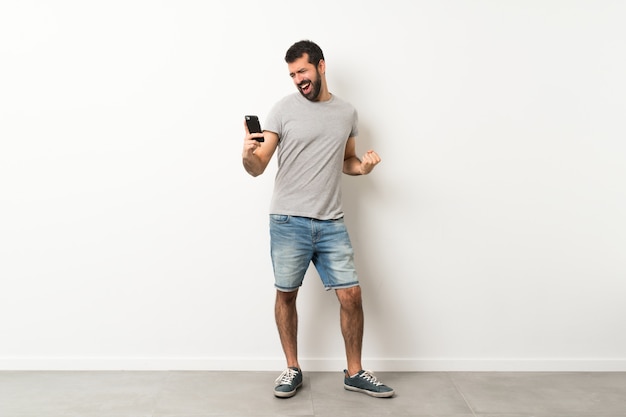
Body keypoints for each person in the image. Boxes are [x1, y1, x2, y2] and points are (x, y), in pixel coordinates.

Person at [241, 40, 394, 399]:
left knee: (352, 296)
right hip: (288, 220)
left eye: (303, 71)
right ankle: (292, 368)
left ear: (321, 67)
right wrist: (248, 155)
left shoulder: (347, 113)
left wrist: (364, 167)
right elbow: (258, 166)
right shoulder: (282, 109)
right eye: (293, 74)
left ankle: (354, 372)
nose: (298, 80)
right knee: (286, 294)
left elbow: (348, 161)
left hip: (331, 222)